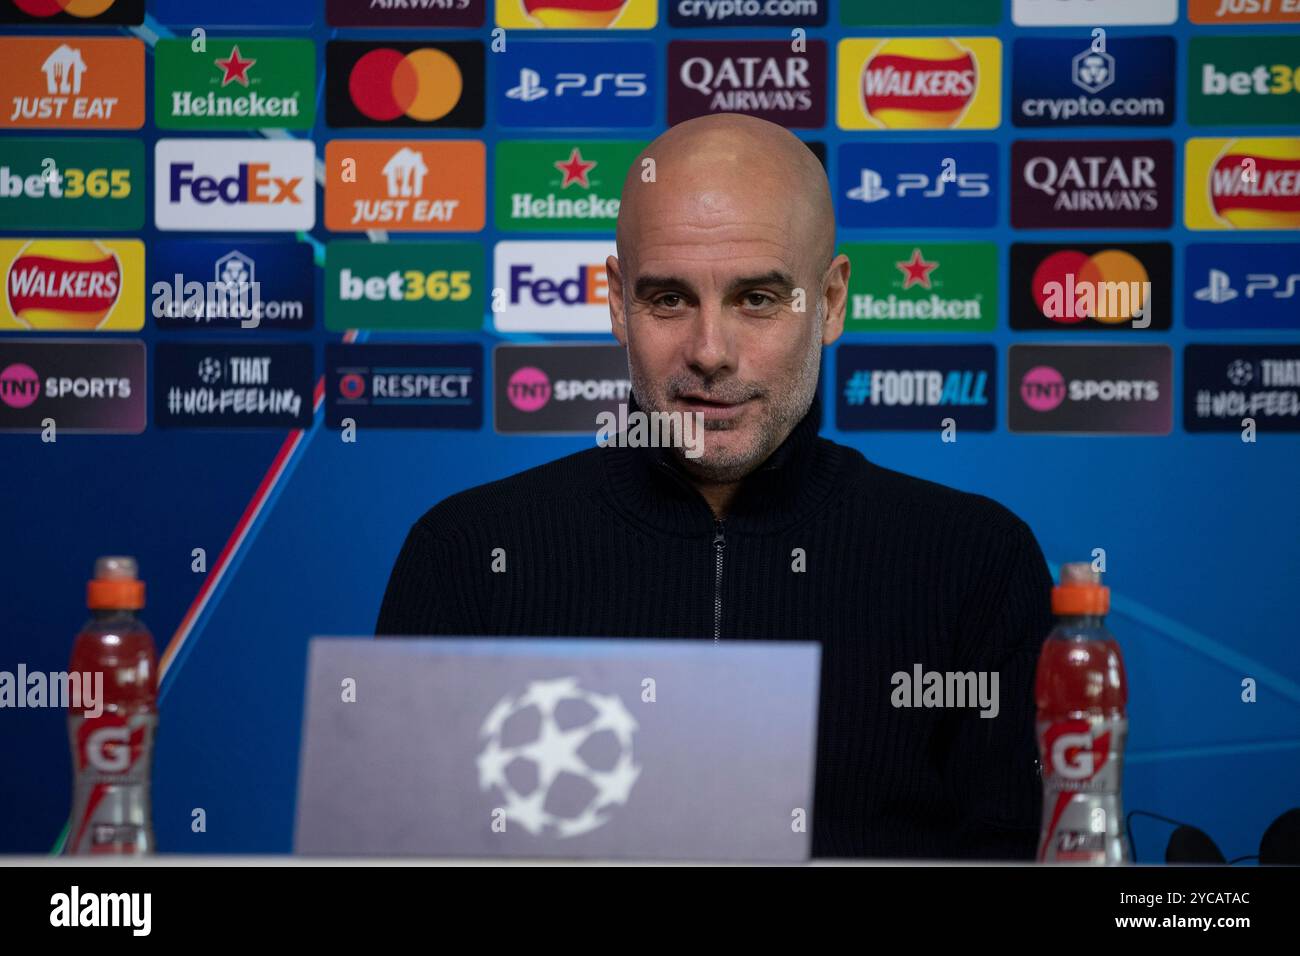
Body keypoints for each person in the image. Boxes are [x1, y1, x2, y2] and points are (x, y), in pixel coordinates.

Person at [377, 113, 1054, 859]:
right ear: (615, 302)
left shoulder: (975, 562)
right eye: (669, 299)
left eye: (756, 300)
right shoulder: (469, 555)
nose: (709, 352)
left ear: (829, 303)